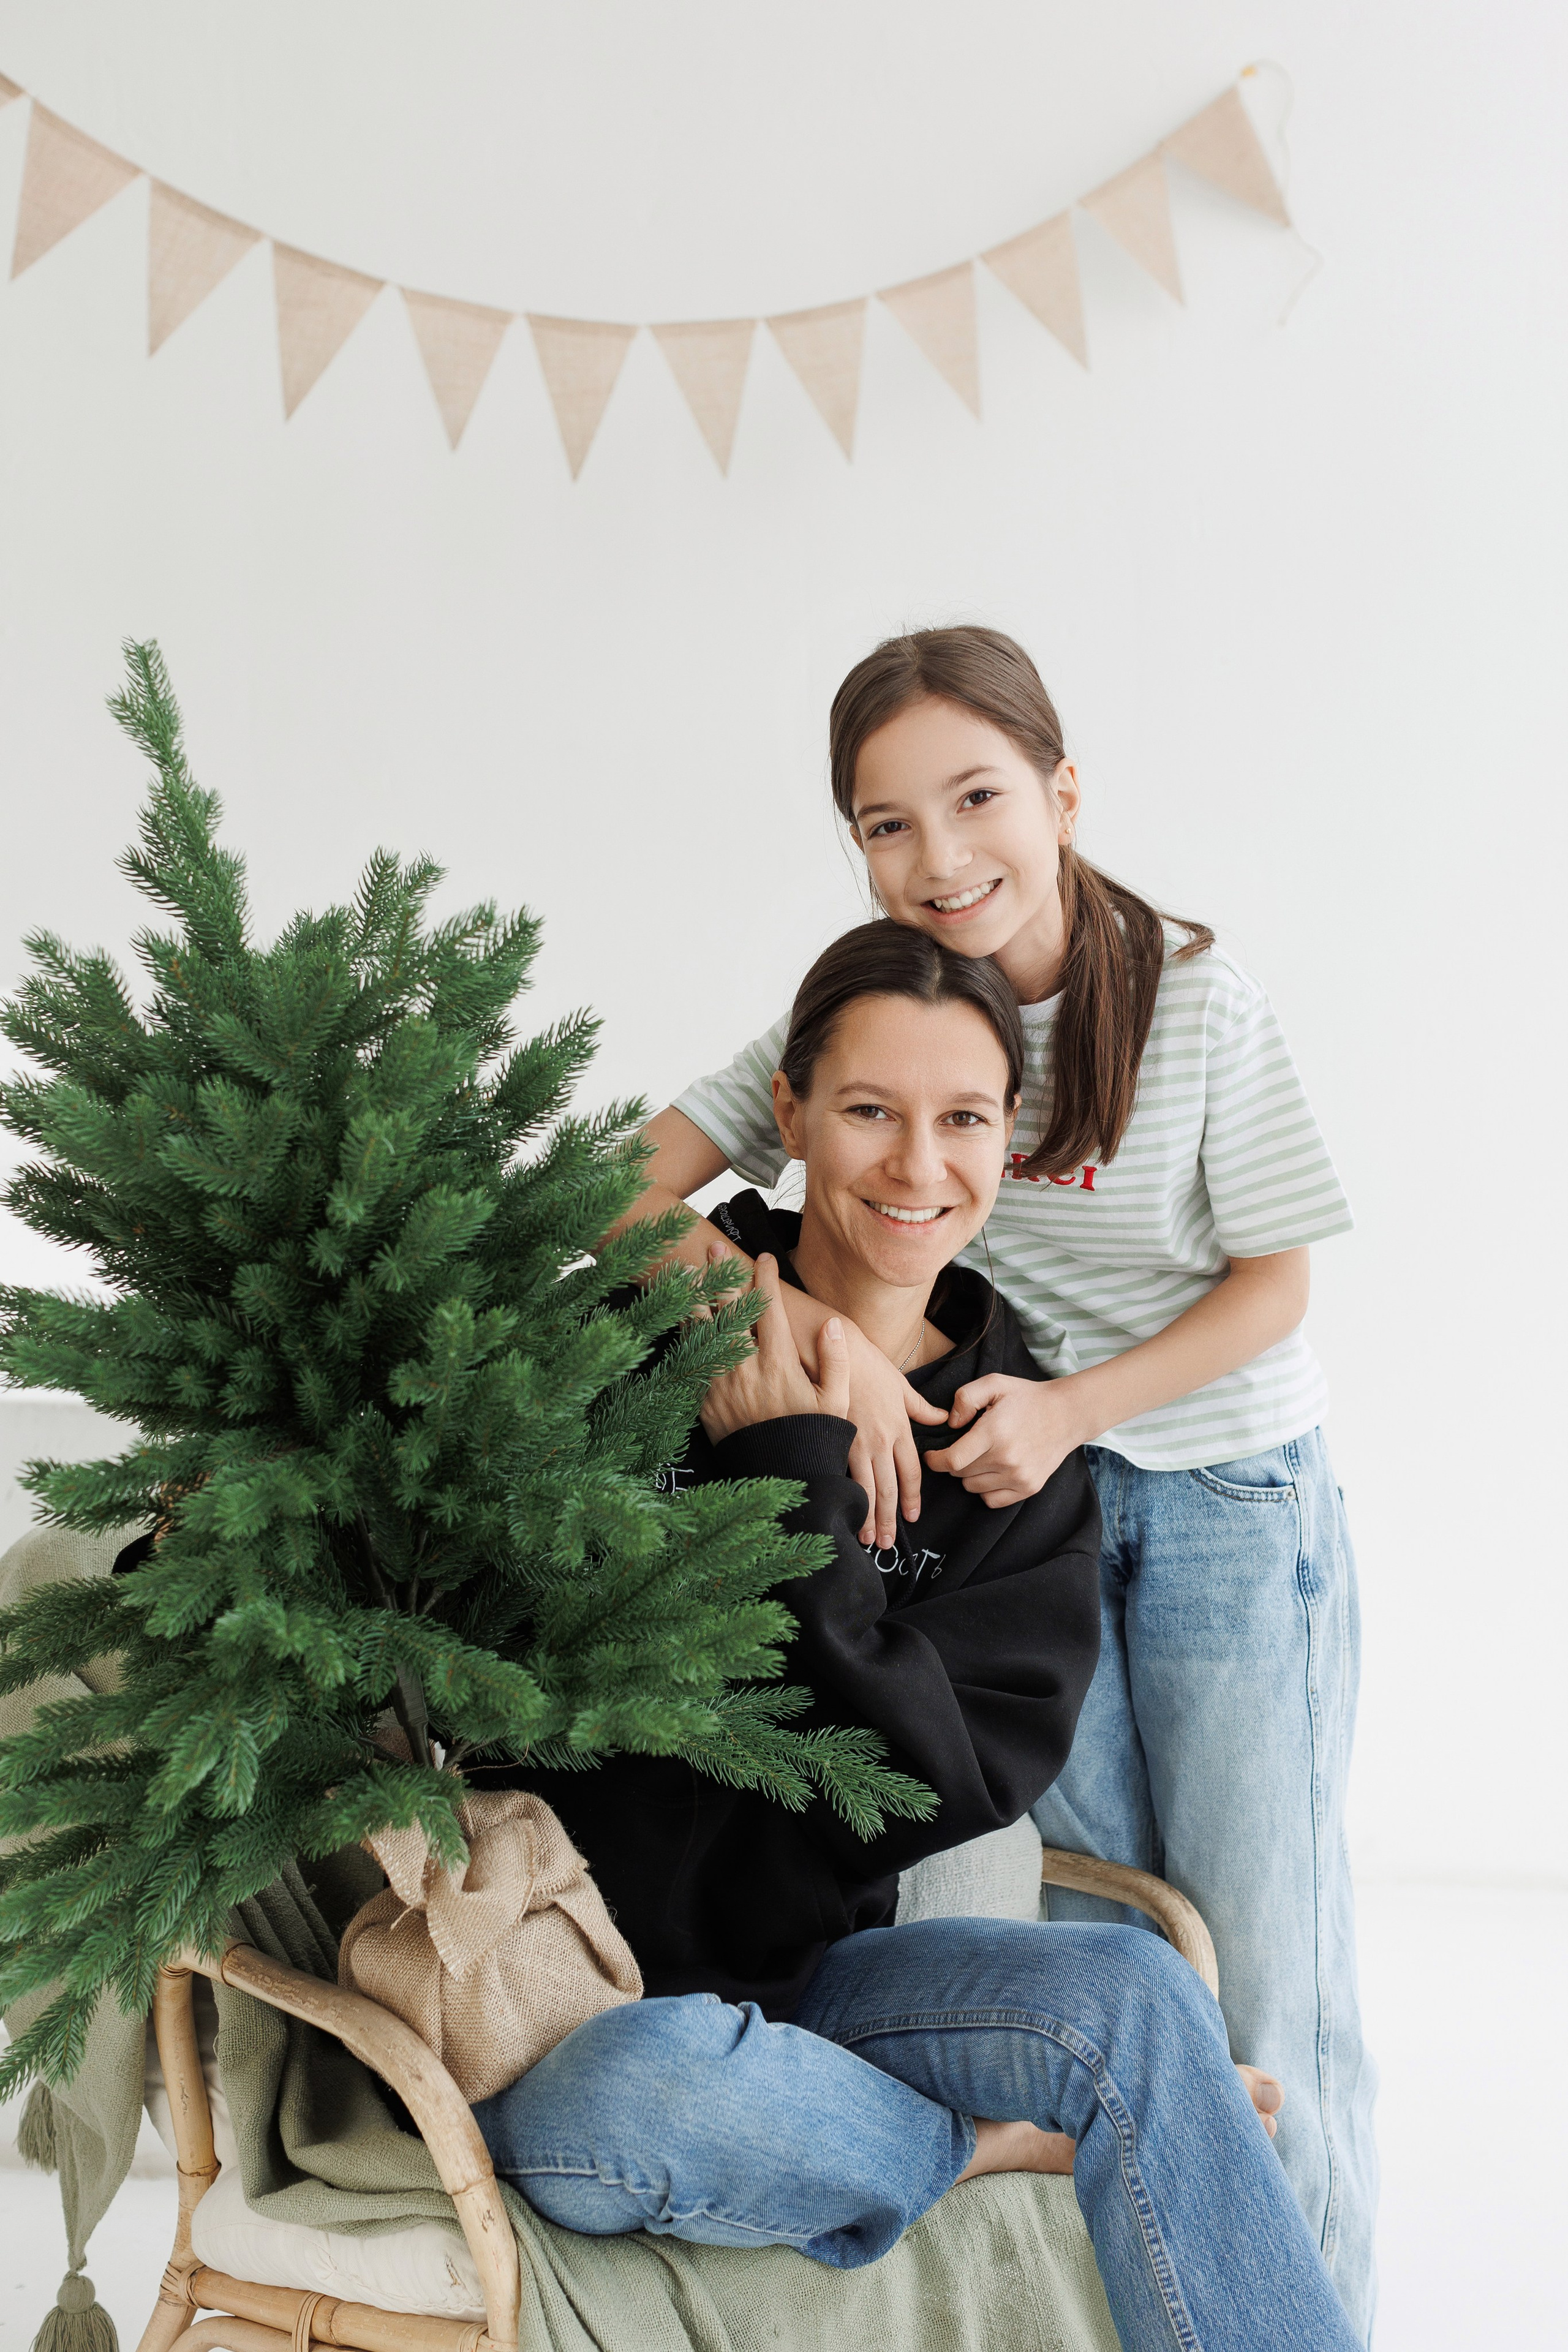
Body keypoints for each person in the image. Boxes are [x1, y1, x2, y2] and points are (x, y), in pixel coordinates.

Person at [608, 628, 1377, 2339]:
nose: (942, 857)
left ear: (1063, 794)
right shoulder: (872, 1010)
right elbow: (618, 1202)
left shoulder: (1190, 1001)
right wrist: (824, 1340)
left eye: (977, 800)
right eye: (888, 824)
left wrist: (1081, 1409)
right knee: (1093, 1918)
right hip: (1002, 1506)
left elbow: (1277, 1284)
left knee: (1268, 1979)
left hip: (1210, 1486)